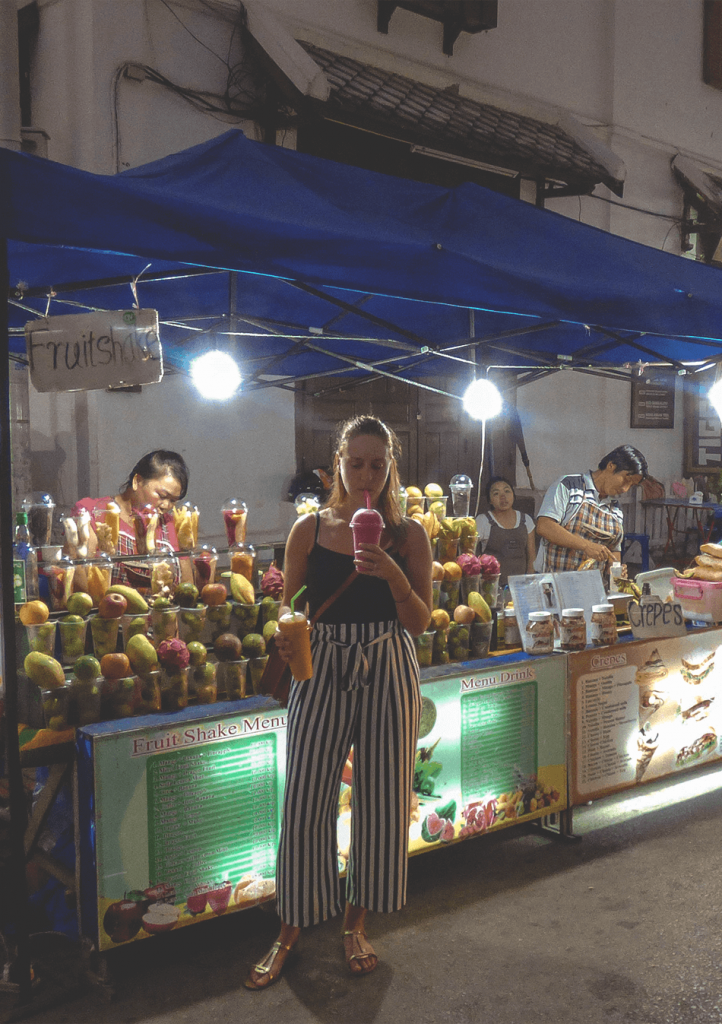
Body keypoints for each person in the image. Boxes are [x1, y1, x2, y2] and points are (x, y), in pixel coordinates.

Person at [245, 415, 432, 990]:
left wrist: (395, 576)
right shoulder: (309, 530)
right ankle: (289, 930)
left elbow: (420, 622)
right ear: (339, 467)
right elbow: (289, 602)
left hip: (387, 662)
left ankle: (355, 926)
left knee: (381, 801)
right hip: (319, 664)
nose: (366, 475)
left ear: (391, 468)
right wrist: (283, 626)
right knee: (305, 798)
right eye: (357, 464)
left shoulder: (410, 535)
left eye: (378, 465)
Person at [71, 450, 189, 586]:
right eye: (162, 496)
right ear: (137, 481)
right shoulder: (92, 513)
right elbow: (79, 578)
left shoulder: (169, 523)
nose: (166, 506)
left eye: (173, 501)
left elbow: (186, 584)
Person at [534, 445, 648, 581]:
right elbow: (545, 526)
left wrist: (616, 570)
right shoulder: (568, 486)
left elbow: (614, 550)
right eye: (626, 479)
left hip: (591, 587)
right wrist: (586, 546)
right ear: (611, 466)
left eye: (631, 485)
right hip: (553, 583)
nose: (625, 489)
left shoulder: (616, 509)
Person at [476, 477, 536, 587]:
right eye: (496, 493)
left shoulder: (526, 520)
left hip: (521, 587)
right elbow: (472, 554)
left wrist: (530, 583)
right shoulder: (483, 521)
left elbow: (531, 557)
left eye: (507, 491)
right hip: (492, 588)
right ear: (490, 500)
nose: (503, 496)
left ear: (513, 495)